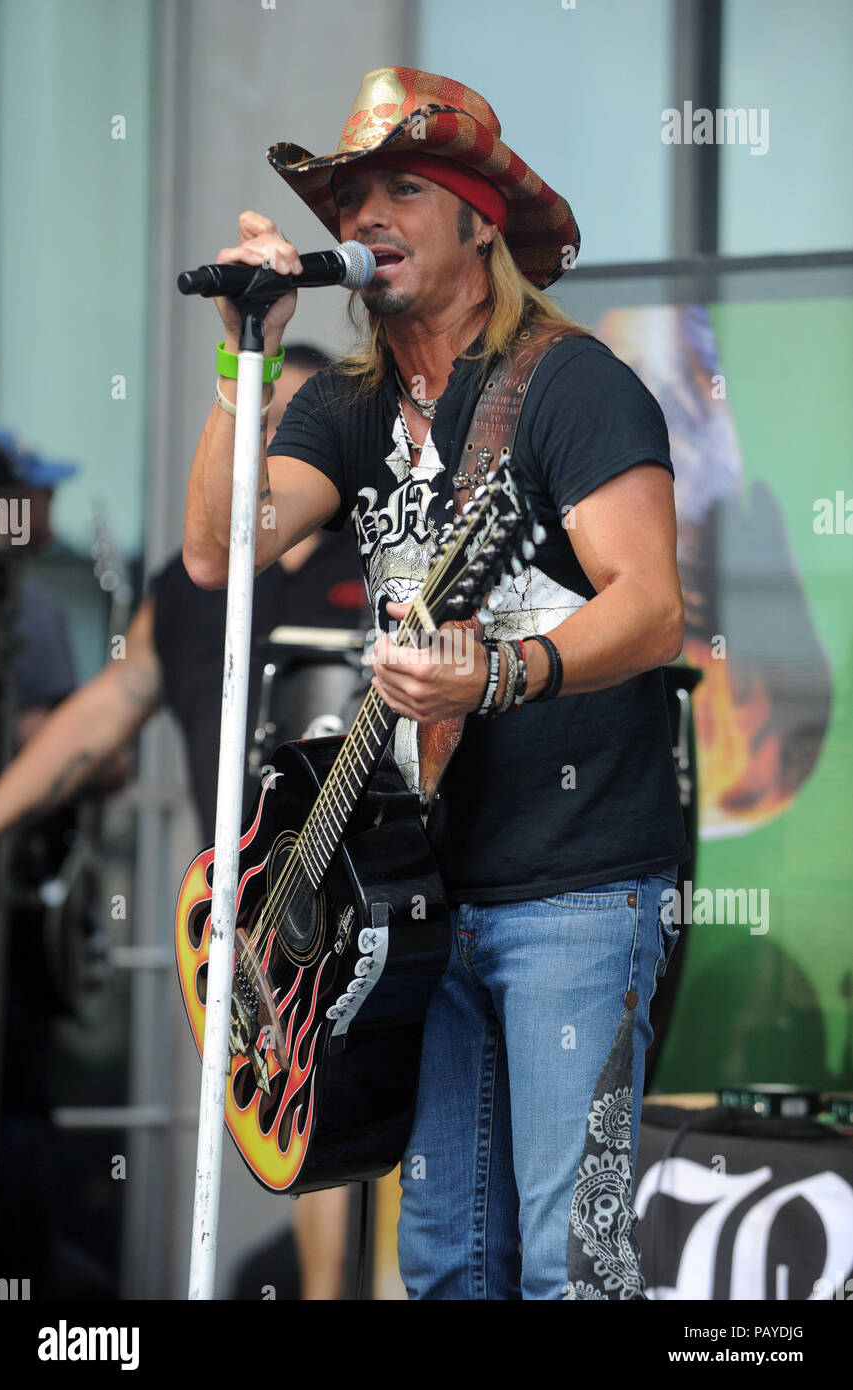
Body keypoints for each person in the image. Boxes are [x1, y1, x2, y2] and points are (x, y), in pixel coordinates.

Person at [183, 67, 689, 1301]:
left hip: (577, 880)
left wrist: (510, 671)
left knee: (575, 1264)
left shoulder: (569, 384)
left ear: (478, 223)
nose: (364, 215)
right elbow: (218, 548)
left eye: (404, 189)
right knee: (449, 1262)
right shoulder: (348, 404)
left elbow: (652, 602)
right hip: (416, 900)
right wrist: (241, 356)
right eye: (350, 195)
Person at [0, 350, 367, 1300]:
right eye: (260, 418)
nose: (274, 437)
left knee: (401, 1177)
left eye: (296, 419)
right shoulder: (196, 584)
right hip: (255, 944)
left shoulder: (382, 562)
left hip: (381, 921)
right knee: (310, 1163)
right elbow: (107, 705)